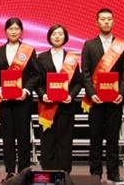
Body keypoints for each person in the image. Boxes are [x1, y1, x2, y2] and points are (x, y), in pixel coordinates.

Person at [81, 9, 124, 185]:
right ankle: (95, 174)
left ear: (113, 22)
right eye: (103, 19)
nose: (106, 22)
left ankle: (113, 174)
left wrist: (121, 94)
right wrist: (92, 94)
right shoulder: (89, 45)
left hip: (115, 101)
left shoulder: (121, 46)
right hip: (95, 101)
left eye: (109, 19)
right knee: (95, 139)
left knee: (112, 139)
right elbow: (85, 73)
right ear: (97, 22)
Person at [0, 17, 39, 184]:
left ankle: (24, 172)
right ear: (5, 31)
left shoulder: (29, 50)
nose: (13, 32)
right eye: (10, 29)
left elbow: (36, 74)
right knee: (8, 138)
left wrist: (26, 90)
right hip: (5, 101)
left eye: (16, 29)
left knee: (23, 138)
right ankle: (10, 171)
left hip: (22, 101)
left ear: (21, 31)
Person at [35, 24, 82, 174]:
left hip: (66, 106)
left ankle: (64, 173)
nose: (57, 36)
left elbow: (78, 82)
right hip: (47, 106)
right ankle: (48, 172)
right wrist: (43, 94)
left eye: (60, 34)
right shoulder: (41, 57)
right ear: (49, 37)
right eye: (54, 34)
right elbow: (37, 81)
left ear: (65, 37)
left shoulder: (72, 59)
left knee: (65, 140)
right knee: (47, 141)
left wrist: (71, 95)